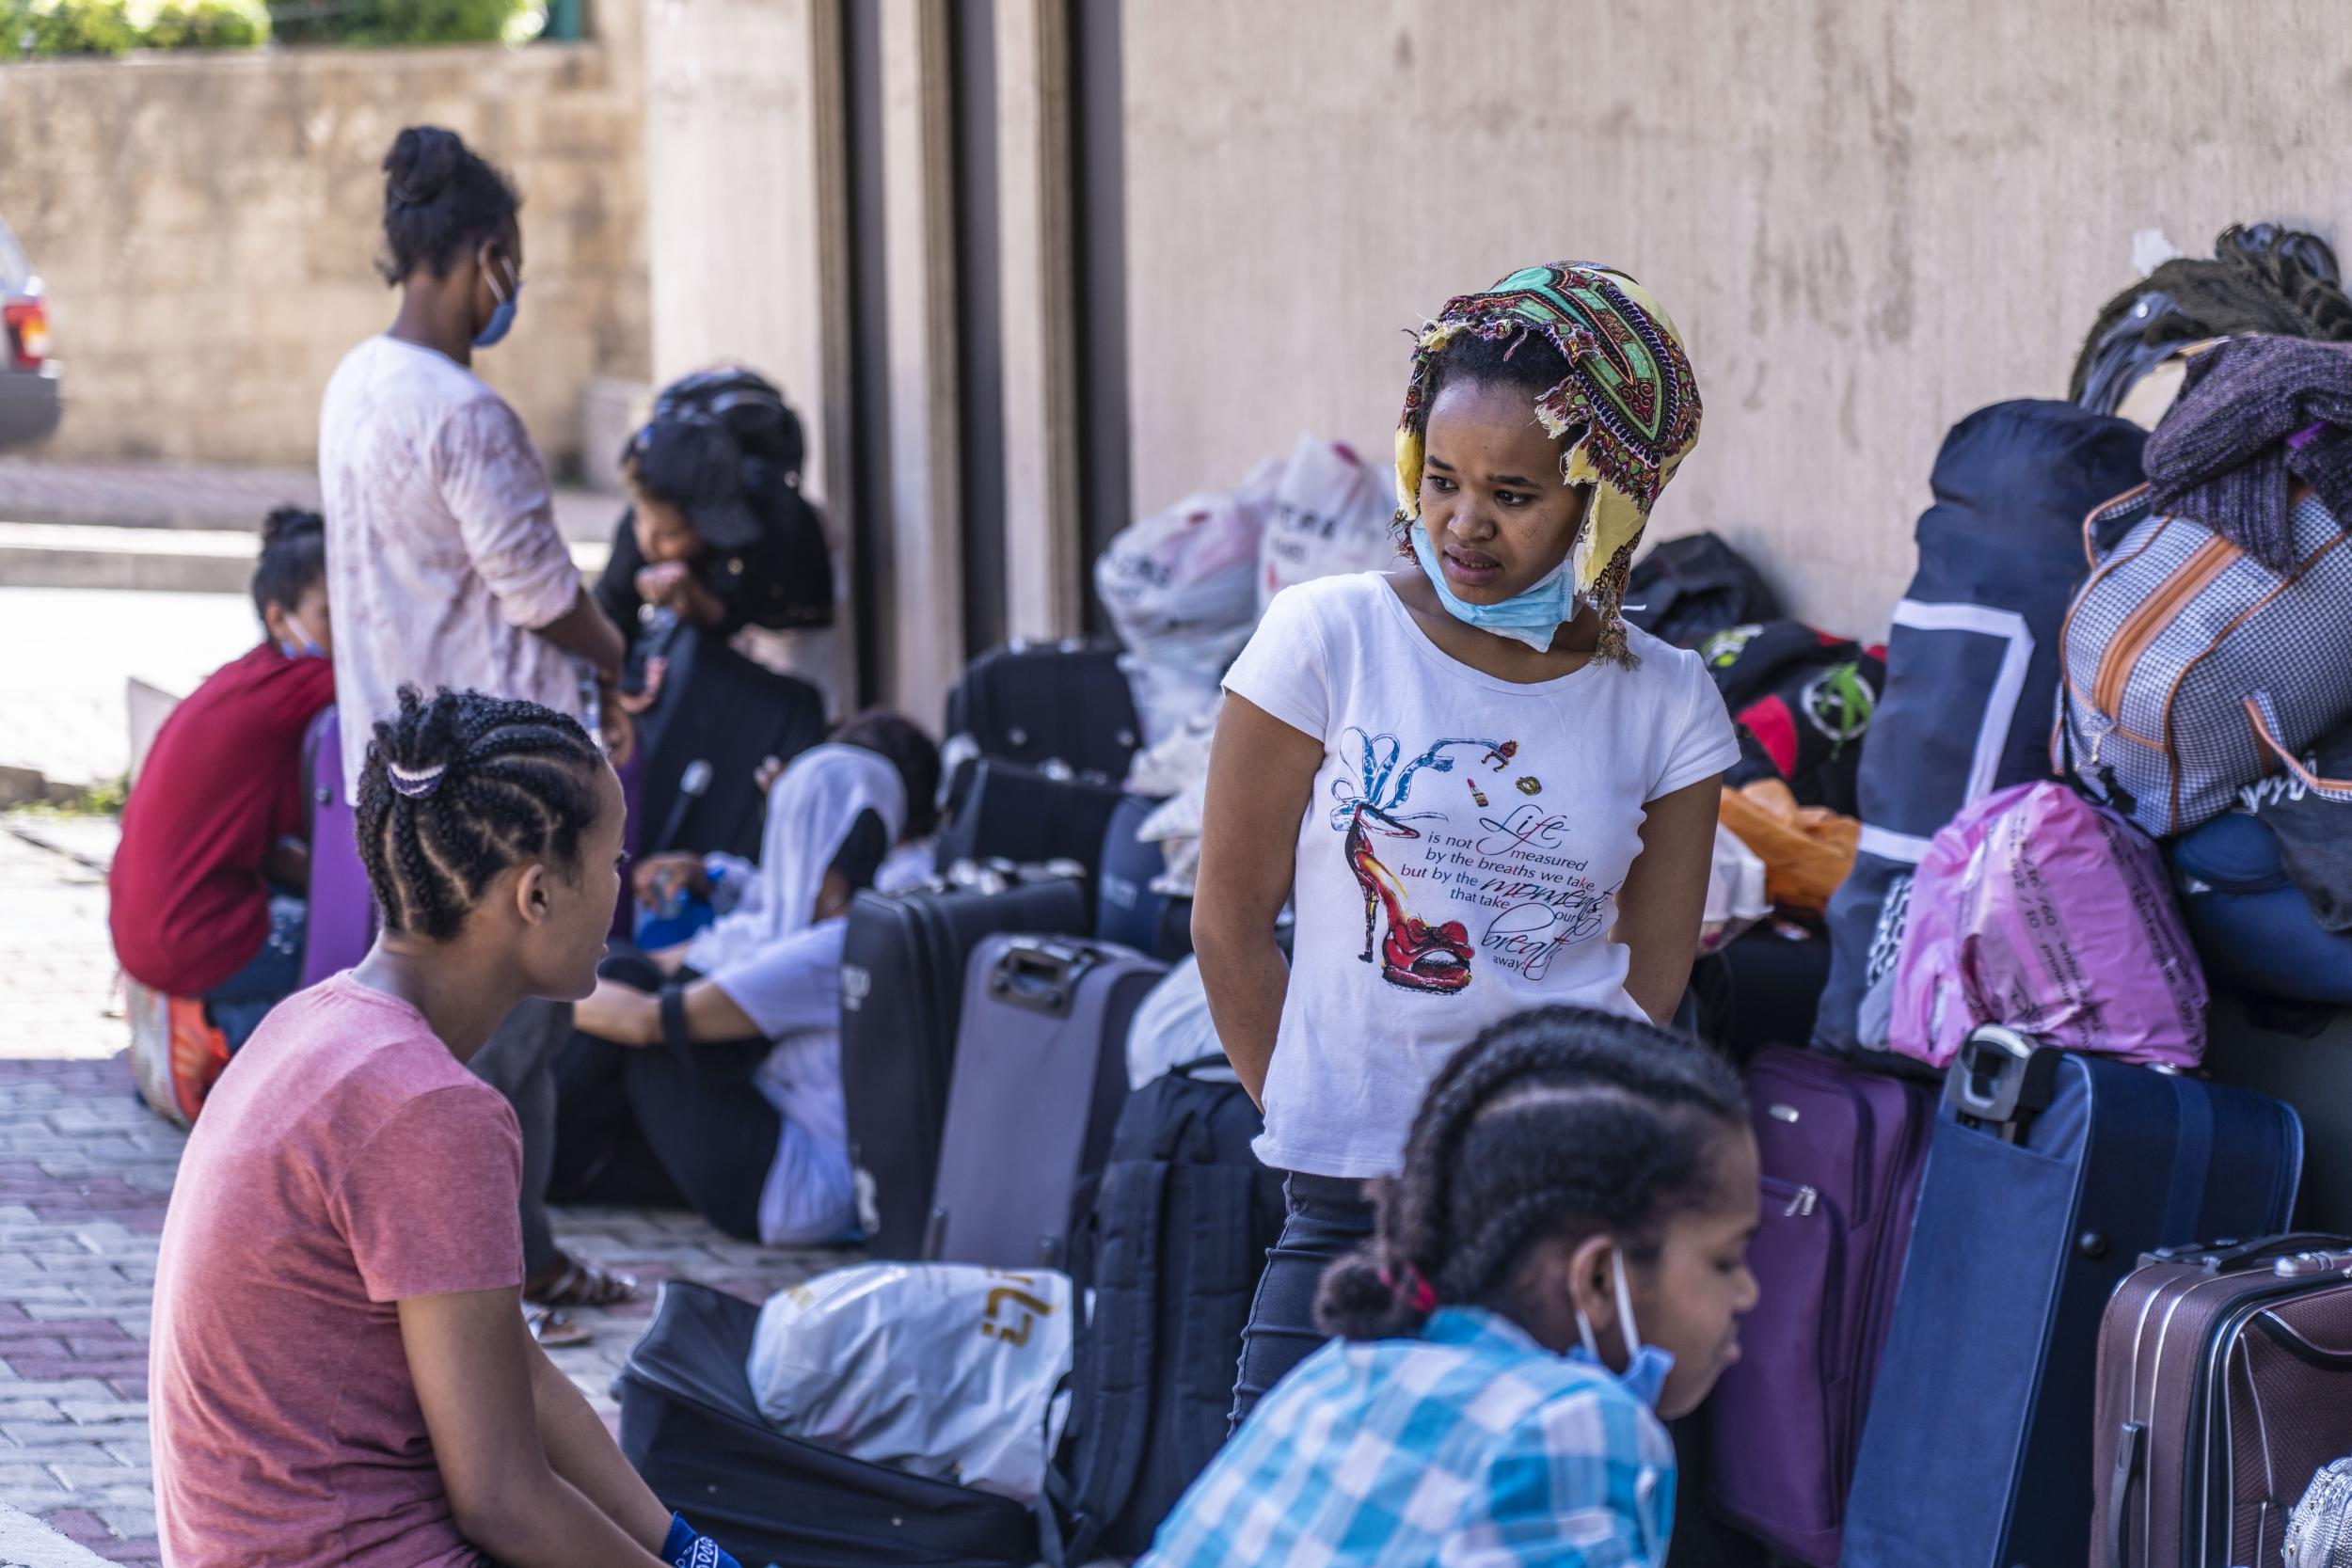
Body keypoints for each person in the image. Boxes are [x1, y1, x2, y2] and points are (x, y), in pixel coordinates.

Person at [1193, 263, 1740, 1424]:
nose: (1462, 523)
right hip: (1352, 1199)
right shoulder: (1324, 636)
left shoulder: (1670, 700)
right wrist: (1313, 1103)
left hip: (1563, 1223)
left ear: (1610, 499)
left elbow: (1648, 983)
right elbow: (1229, 920)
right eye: (1439, 479)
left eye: (1514, 492)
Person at [150, 688, 744, 1568]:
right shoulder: (432, 1109)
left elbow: (523, 1378)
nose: (624, 886)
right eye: (615, 860)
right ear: (537, 894)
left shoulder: (315, 1021)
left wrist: (687, 1552)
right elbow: (504, 1501)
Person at [319, 124, 635, 1332]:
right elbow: (541, 592)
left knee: (466, 1022)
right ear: (488, 256)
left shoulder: (357, 379)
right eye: (516, 265)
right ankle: (471, 1284)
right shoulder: (467, 412)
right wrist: (620, 658)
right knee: (506, 1034)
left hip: (401, 753)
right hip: (507, 776)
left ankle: (518, 1253)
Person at [1141, 1006, 1760, 1567]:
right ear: (1599, 1278)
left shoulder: (1332, 1374)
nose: (1749, 1294)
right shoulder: (1572, 1421)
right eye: (1725, 1261)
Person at [556, 715, 942, 1244]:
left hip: (793, 1186)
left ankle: (512, 1157)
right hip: (784, 1149)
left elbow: (650, 1022)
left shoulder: (835, 944)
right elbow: (673, 960)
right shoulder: (841, 922)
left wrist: (534, 986)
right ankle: (536, 1163)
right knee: (622, 978)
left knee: (633, 1008)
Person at [110, 506, 335, 1050]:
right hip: (188, 943)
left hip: (143, 933)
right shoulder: (298, 686)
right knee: (367, 952)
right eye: (333, 614)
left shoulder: (246, 678)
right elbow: (403, 684)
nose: (353, 632)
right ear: (280, 618)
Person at [596, 415, 831, 702]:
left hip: (789, 608)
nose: (653, 544)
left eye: (672, 535)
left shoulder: (770, 528)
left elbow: (740, 614)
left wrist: (694, 597)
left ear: (710, 529)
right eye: (643, 522)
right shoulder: (643, 532)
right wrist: (625, 687)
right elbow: (609, 616)